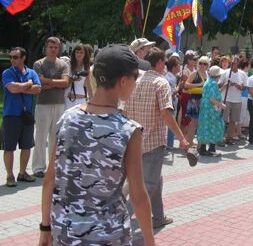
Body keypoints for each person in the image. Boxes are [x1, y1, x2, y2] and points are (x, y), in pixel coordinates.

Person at [39, 44, 155, 246]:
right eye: (135, 78)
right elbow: (137, 194)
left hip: (65, 233)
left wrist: (45, 228)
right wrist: (150, 242)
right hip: (108, 236)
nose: (136, 84)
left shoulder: (68, 118)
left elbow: (50, 179)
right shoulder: (129, 130)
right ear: (123, 81)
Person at [123, 47, 192, 230]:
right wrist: (182, 139)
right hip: (153, 142)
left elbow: (125, 111)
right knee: (148, 185)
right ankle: (120, 220)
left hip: (134, 140)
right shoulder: (160, 83)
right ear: (160, 63)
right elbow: (167, 115)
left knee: (155, 180)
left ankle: (159, 217)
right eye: (164, 62)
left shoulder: (135, 81)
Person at [2, 47, 41, 187]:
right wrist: (29, 84)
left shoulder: (32, 72)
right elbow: (12, 88)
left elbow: (38, 89)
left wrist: (22, 87)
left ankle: (23, 172)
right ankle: (9, 175)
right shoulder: (7, 73)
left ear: (23, 58)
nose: (12, 60)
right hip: (11, 115)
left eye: (15, 57)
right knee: (9, 148)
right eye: (11, 57)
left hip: (27, 116)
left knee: (27, 146)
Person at [32, 37, 70, 178]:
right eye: (50, 47)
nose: (53, 49)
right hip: (42, 103)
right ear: (46, 48)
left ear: (58, 48)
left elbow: (65, 82)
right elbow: (39, 83)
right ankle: (38, 167)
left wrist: (48, 83)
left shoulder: (63, 64)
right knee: (41, 137)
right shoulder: (38, 64)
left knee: (55, 137)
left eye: (55, 47)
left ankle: (53, 166)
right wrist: (56, 83)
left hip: (59, 103)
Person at [197, 66, 226, 156]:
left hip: (205, 108)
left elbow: (212, 94)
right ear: (218, 75)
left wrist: (223, 88)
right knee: (214, 126)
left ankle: (203, 148)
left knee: (205, 126)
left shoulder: (208, 81)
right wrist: (221, 105)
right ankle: (211, 149)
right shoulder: (213, 83)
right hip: (211, 109)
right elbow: (212, 98)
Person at [220, 56, 248, 144]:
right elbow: (219, 84)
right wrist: (225, 84)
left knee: (233, 120)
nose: (233, 65)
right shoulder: (225, 73)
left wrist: (240, 87)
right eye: (232, 63)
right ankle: (220, 138)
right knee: (223, 120)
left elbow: (245, 87)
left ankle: (229, 138)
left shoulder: (242, 74)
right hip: (226, 98)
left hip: (237, 100)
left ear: (238, 63)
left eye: (235, 63)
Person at [183, 56, 209, 144]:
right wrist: (199, 84)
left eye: (204, 64)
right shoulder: (194, 73)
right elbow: (186, 85)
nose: (202, 65)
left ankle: (191, 141)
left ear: (207, 65)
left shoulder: (207, 75)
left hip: (204, 100)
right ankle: (188, 142)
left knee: (200, 123)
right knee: (194, 122)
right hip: (195, 99)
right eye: (200, 63)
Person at [64, 44, 90, 110]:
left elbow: (88, 84)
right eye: (77, 52)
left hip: (82, 98)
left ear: (85, 54)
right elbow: (65, 83)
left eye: (81, 52)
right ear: (74, 53)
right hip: (69, 98)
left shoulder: (87, 67)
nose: (79, 54)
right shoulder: (68, 65)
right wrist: (72, 80)